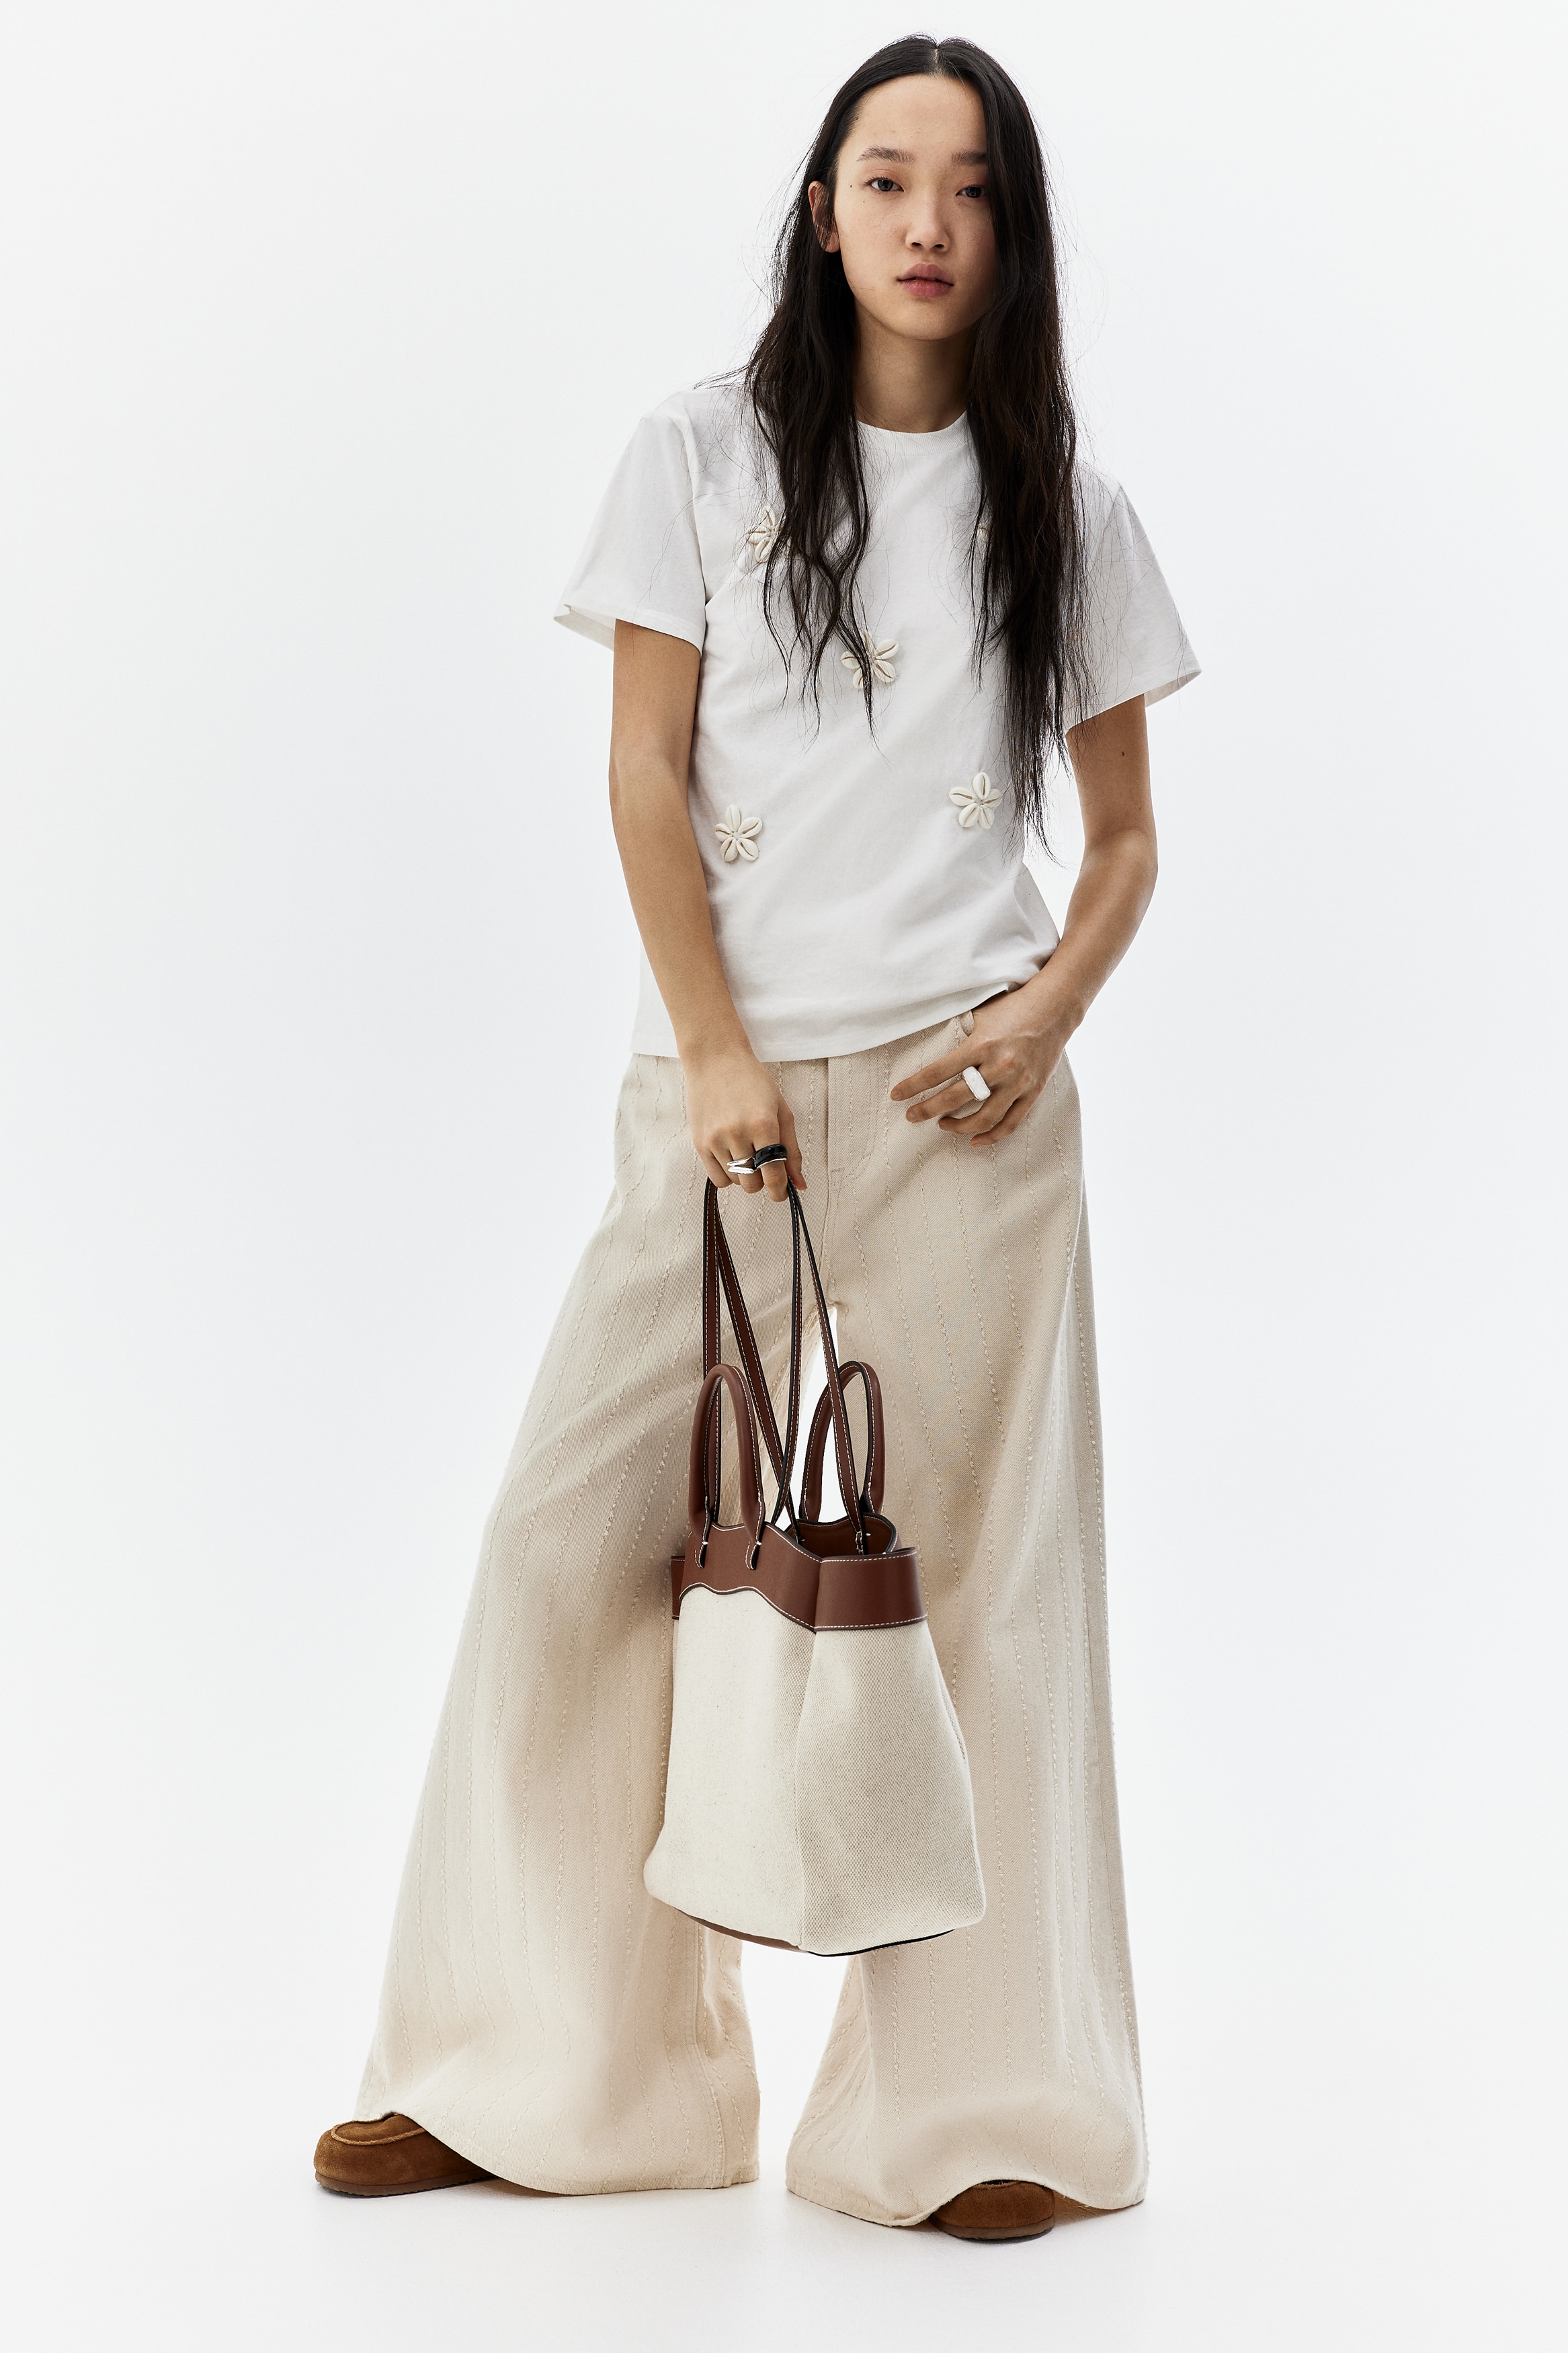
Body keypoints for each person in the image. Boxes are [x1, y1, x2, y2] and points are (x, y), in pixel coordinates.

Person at [313, 32, 1198, 2243]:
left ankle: (982, 2115)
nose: (926, 222)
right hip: (708, 1107)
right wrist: (711, 1054)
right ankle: (545, 2072)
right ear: (823, 209)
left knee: (987, 1597)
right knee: (566, 1547)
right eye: (886, 178)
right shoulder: (697, 455)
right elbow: (642, 772)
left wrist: (1042, 1016)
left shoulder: (1067, 507)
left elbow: (1122, 846)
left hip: (968, 1112)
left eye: (970, 188)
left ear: (1012, 233)